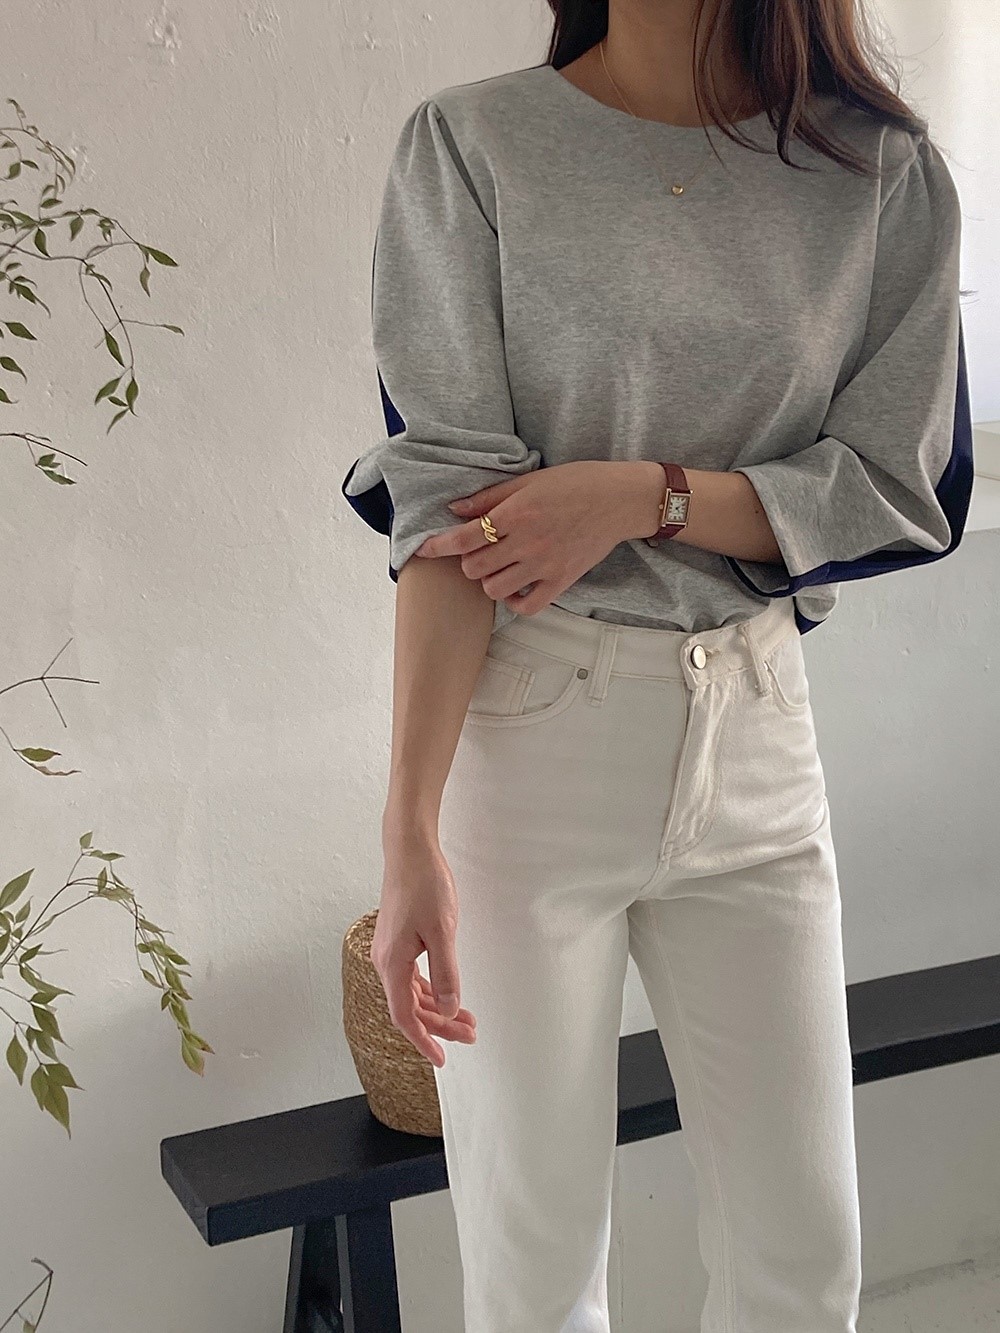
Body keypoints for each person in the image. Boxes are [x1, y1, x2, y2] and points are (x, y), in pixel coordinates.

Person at [340, 0, 973, 1327]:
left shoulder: (879, 171)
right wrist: (407, 833)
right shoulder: (473, 146)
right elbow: (449, 522)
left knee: (803, 1261)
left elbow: (894, 487)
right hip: (533, 736)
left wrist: (649, 496)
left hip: (757, 733)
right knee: (534, 1269)